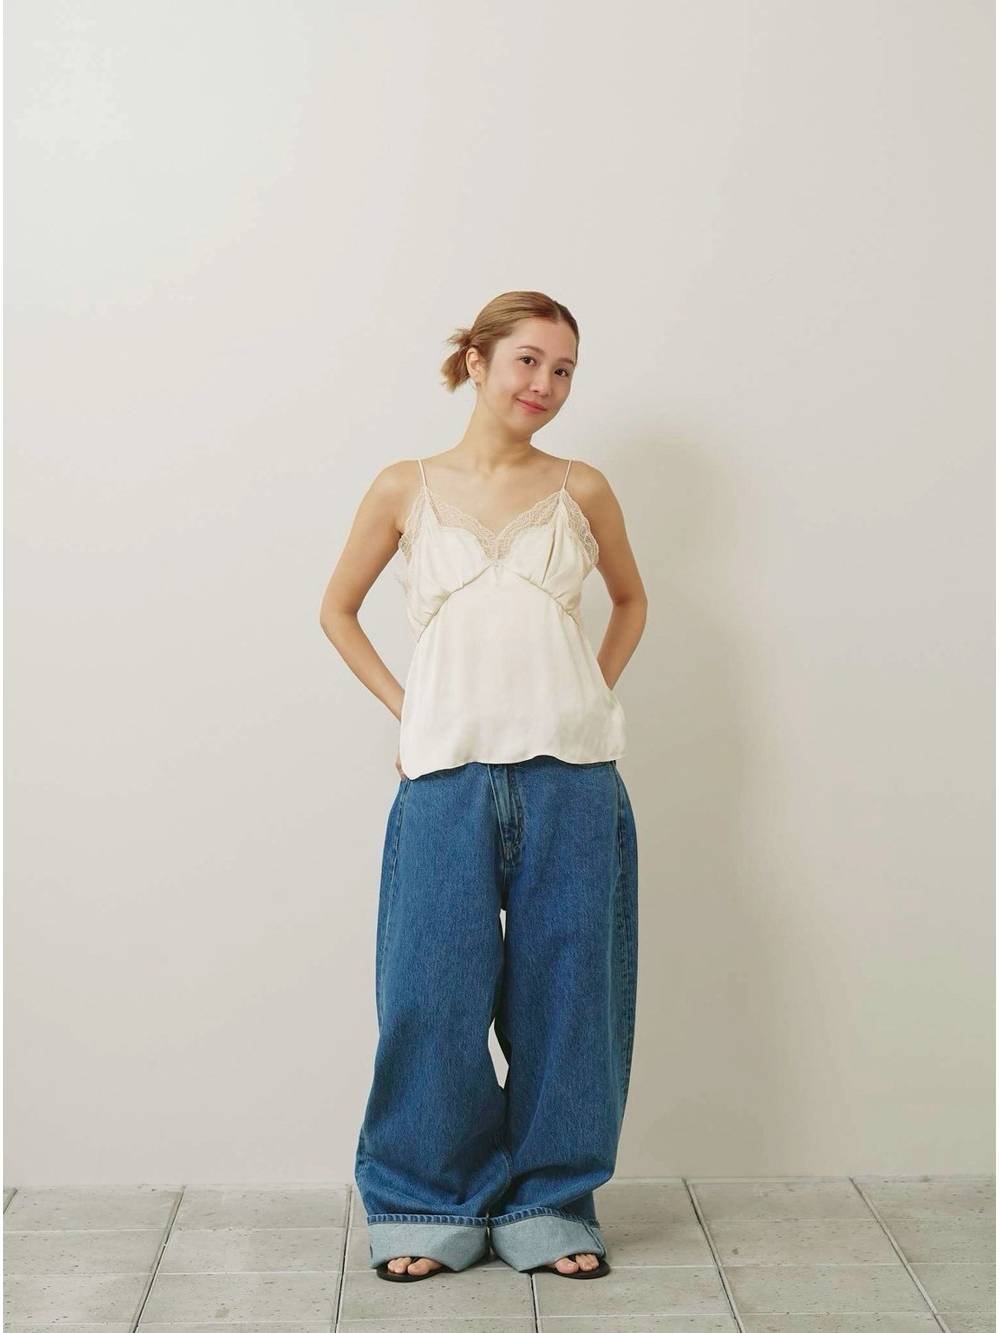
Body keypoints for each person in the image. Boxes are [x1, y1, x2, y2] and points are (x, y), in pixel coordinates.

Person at [319, 290, 647, 1282]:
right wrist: (408, 709)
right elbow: (337, 611)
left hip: (572, 778)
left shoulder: (582, 488)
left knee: (570, 998)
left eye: (563, 370)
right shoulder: (404, 486)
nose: (544, 384)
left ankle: (551, 1201)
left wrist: (589, 692)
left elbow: (631, 600)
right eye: (527, 361)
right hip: (444, 776)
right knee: (431, 992)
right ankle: (426, 1197)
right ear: (476, 361)